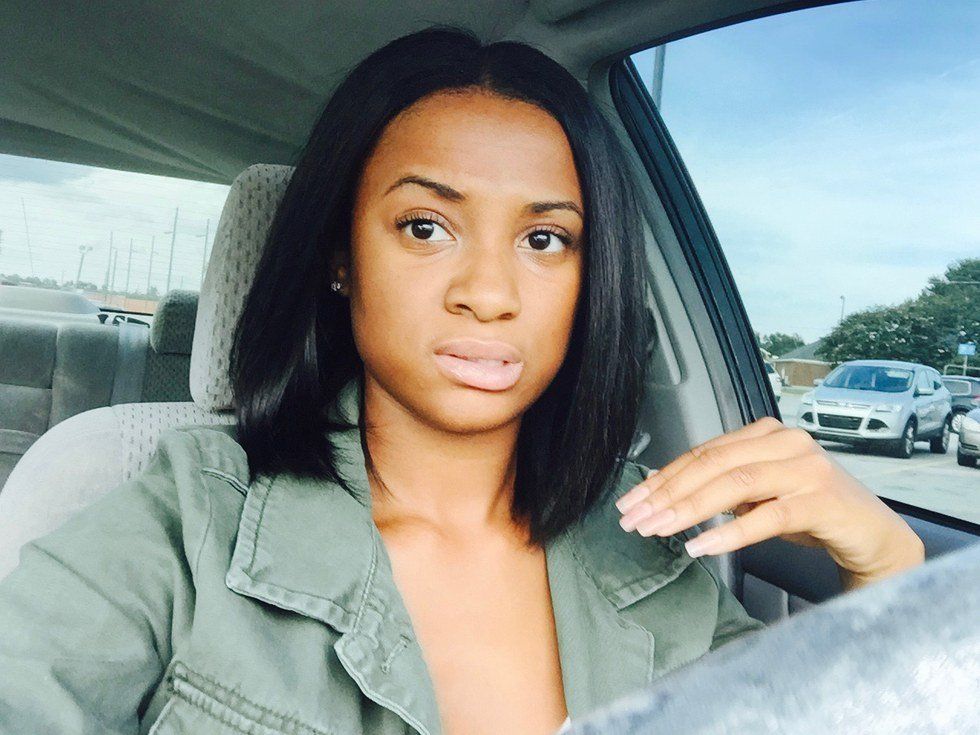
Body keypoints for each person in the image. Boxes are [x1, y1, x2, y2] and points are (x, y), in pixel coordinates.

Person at [0, 26, 924, 735]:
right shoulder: (188, 516)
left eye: (544, 239)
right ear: (340, 257)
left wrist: (887, 570)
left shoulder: (646, 549)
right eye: (425, 227)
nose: (489, 293)